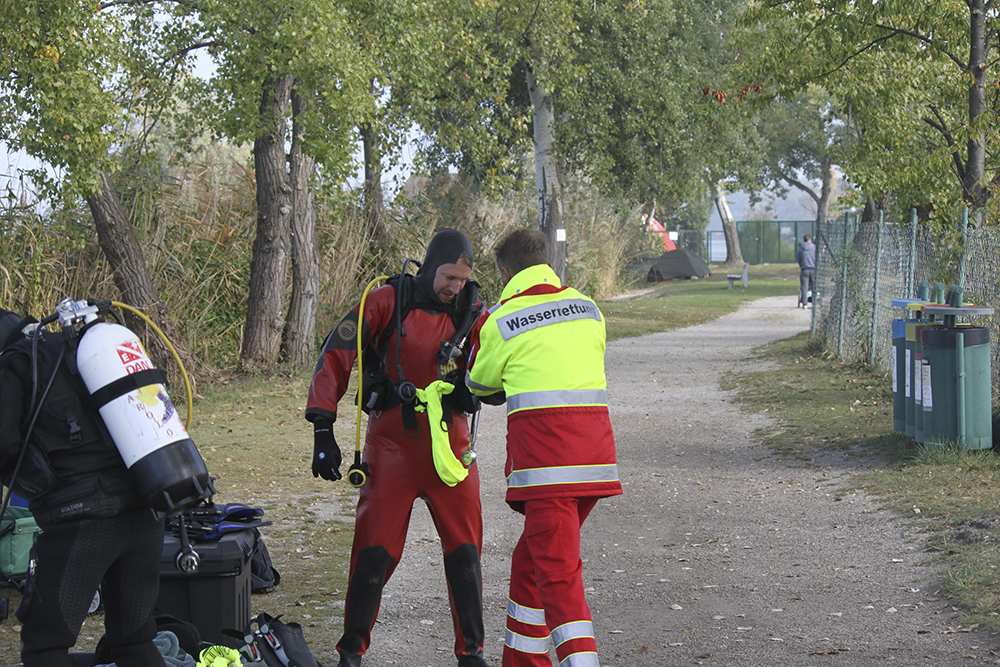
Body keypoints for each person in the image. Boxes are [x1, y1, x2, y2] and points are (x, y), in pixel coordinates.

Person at [305, 229, 491, 667]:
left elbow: (500, 365)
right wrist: (322, 427)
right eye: (448, 277)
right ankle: (351, 653)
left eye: (463, 280)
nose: (455, 287)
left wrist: (481, 390)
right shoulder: (387, 300)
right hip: (391, 449)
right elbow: (336, 353)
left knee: (465, 554)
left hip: (451, 450)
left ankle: (472, 654)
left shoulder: (473, 311)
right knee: (373, 555)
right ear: (429, 267)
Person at [465, 229, 622, 667]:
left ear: (504, 272)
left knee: (557, 578)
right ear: (546, 261)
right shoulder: (588, 308)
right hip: (593, 464)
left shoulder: (501, 319)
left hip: (547, 469)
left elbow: (479, 383)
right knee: (530, 564)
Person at [0, 307, 168, 667]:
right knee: (134, 641)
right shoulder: (77, 350)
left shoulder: (14, 364)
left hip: (83, 517)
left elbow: (4, 444)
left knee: (44, 646)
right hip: (146, 503)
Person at [797, 234, 817, 308]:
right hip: (813, 269)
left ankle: (805, 303)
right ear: (810, 239)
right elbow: (818, 257)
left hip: (804, 269)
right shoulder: (814, 247)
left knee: (804, 287)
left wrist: (801, 265)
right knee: (814, 286)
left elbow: (798, 258)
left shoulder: (801, 248)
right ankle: (814, 302)